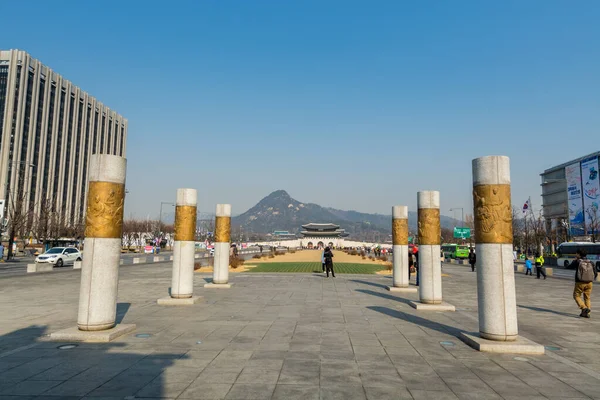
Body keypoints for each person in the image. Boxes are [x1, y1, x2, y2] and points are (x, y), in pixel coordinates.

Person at [570, 249, 598, 318]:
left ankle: (584, 308)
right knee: (587, 297)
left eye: (576, 253)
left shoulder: (577, 261)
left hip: (580, 282)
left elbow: (569, 267)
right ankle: (587, 313)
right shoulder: (590, 262)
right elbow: (595, 273)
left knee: (576, 296)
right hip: (589, 282)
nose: (575, 255)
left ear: (578, 254)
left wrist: (574, 260)